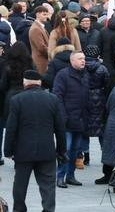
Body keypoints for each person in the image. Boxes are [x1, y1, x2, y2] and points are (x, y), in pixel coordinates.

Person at [4, 69, 66, 212]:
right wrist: (61, 150)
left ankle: (19, 209)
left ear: (25, 82)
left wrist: (8, 151)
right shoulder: (52, 99)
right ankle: (48, 209)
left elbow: (11, 128)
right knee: (48, 185)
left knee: (20, 184)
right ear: (40, 83)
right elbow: (60, 128)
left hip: (23, 151)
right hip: (47, 151)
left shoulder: (17, 100)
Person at [52, 50, 89, 188]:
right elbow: (57, 96)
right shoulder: (63, 75)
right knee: (65, 149)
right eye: (80, 58)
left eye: (84, 58)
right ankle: (60, 176)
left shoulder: (85, 75)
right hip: (66, 120)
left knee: (75, 150)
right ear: (72, 61)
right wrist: (63, 116)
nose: (83, 61)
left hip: (80, 119)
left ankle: (71, 176)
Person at [28, 6, 50, 74]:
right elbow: (41, 47)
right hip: (40, 61)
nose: (46, 16)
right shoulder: (35, 29)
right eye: (44, 14)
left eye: (47, 14)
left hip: (43, 60)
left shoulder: (40, 27)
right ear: (37, 14)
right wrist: (52, 54)